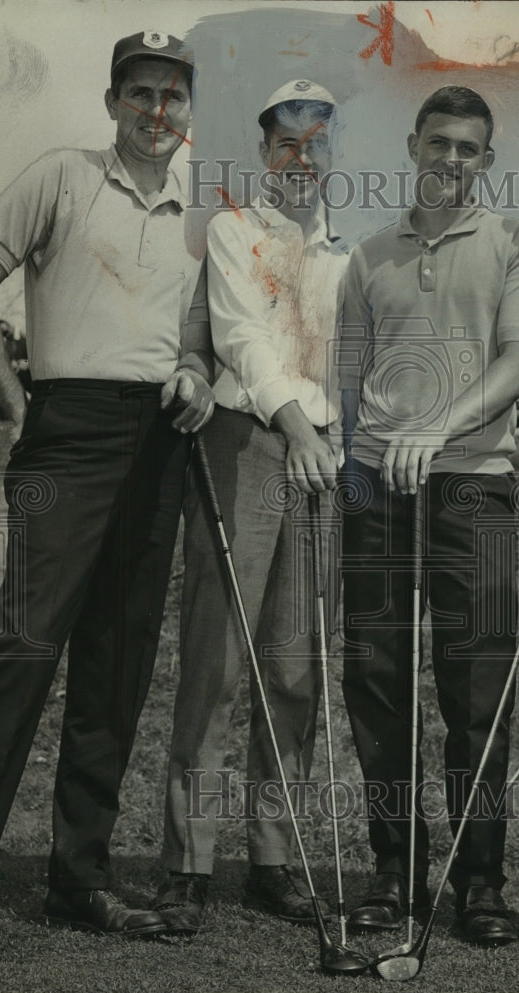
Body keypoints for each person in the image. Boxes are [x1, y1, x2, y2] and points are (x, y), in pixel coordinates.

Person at [0, 30, 215, 965]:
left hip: (162, 436)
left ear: (187, 106)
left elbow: (204, 333)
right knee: (24, 651)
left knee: (118, 662)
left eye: (172, 96)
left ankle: (79, 876)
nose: (155, 113)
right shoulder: (62, 174)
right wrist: (11, 396)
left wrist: (198, 374)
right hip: (67, 426)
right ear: (112, 99)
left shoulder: (204, 207)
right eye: (139, 94)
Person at [338, 85, 519, 946]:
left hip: (480, 487)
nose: (452, 160)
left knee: (478, 690)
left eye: (469, 148)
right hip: (378, 485)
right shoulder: (368, 254)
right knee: (380, 682)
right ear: (414, 146)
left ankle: (481, 882)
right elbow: (347, 384)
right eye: (440, 143)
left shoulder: (517, 242)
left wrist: (440, 425)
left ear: (486, 159)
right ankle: (396, 871)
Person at [153, 80, 346, 934]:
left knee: (297, 672)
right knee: (217, 663)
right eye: (285, 145)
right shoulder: (233, 232)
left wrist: (337, 446)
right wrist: (300, 432)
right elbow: (239, 338)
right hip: (251, 445)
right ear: (266, 154)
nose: (300, 160)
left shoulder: (353, 256)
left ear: (333, 153)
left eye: (316, 144)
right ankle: (187, 862)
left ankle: (276, 858)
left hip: (327, 462)